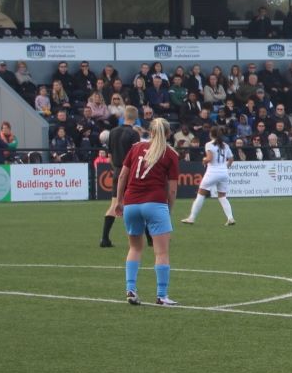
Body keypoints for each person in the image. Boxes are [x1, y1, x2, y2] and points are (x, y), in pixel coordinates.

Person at [116, 118, 180, 306]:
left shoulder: (136, 148)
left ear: (150, 132)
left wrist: (119, 201)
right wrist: (169, 209)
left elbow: (122, 176)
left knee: (135, 248)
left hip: (131, 203)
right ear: (168, 134)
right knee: (161, 253)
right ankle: (161, 295)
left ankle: (130, 289)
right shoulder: (170, 154)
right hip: (155, 203)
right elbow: (173, 189)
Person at [100, 106, 143, 247]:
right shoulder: (134, 134)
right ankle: (149, 238)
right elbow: (137, 157)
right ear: (136, 118)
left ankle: (104, 239)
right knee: (142, 204)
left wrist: (117, 169)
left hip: (118, 171)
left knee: (114, 205)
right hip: (130, 173)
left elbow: (110, 156)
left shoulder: (112, 132)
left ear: (124, 116)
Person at [180, 126, 236, 226]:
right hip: (224, 173)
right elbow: (231, 159)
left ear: (211, 134)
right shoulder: (225, 145)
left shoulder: (209, 144)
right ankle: (230, 218)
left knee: (200, 194)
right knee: (222, 196)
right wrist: (225, 167)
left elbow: (209, 158)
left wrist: (204, 160)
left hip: (212, 172)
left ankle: (191, 218)